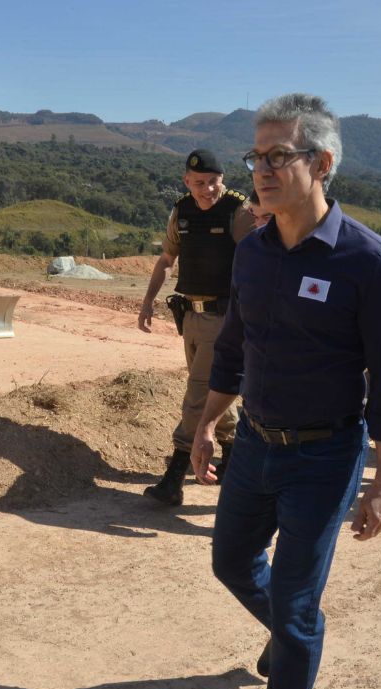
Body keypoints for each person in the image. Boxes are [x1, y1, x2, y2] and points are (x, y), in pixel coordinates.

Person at [191, 93, 381, 689]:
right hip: (256, 441)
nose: (261, 169)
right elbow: (232, 348)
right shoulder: (254, 252)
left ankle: (290, 650)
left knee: (292, 606)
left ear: (322, 163)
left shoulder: (369, 261)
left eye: (278, 155)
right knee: (232, 562)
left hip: (324, 454)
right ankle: (296, 635)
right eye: (256, 156)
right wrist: (207, 423)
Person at [138, 149, 255, 506]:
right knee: (213, 390)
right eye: (198, 183)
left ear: (224, 179)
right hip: (189, 316)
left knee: (198, 394)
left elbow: (258, 262)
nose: (206, 190)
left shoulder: (240, 211)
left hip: (225, 319)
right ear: (186, 182)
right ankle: (235, 461)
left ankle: (174, 476)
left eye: (212, 182)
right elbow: (166, 260)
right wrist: (147, 301)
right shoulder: (182, 210)